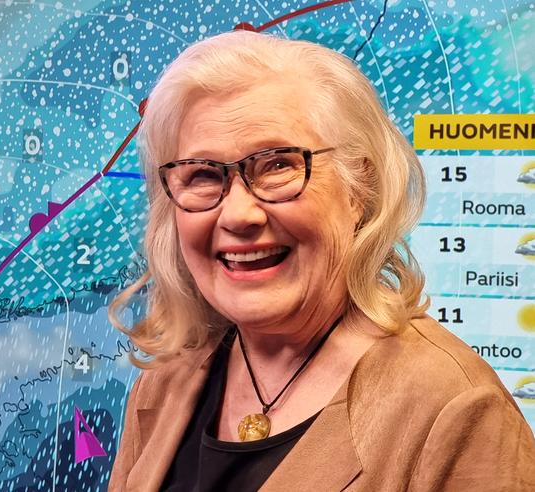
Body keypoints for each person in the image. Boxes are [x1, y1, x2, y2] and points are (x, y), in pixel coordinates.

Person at [106, 30, 535, 491]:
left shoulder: (456, 410)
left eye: (277, 165)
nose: (238, 215)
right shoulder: (164, 382)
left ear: (358, 188)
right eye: (203, 175)